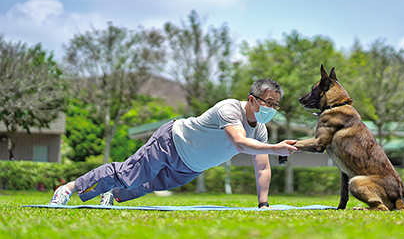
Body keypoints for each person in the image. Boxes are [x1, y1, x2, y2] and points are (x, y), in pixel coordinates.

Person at [49, 78, 297, 209]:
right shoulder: (229, 108)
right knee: (128, 174)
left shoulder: (261, 130)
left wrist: (263, 204)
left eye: (276, 105)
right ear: (252, 99)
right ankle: (68, 189)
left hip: (190, 167)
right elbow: (239, 143)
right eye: (267, 102)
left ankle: (111, 196)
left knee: (147, 185)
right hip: (171, 142)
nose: (271, 108)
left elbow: (262, 167)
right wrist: (277, 148)